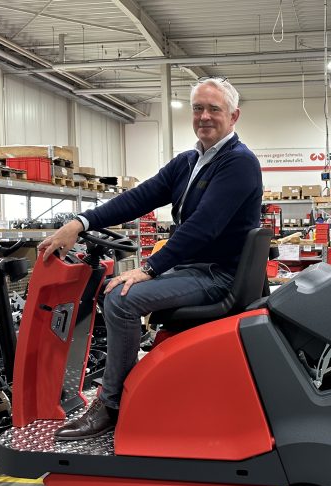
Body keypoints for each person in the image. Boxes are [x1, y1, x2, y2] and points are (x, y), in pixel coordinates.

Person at [38, 78, 262, 441]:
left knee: (121, 300)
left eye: (214, 109)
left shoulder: (238, 163)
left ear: (233, 116)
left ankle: (111, 404)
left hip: (218, 275)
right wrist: (79, 223)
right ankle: (128, 389)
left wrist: (149, 269)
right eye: (198, 109)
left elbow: (203, 227)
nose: (204, 116)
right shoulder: (190, 161)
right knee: (114, 292)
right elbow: (138, 198)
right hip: (195, 268)